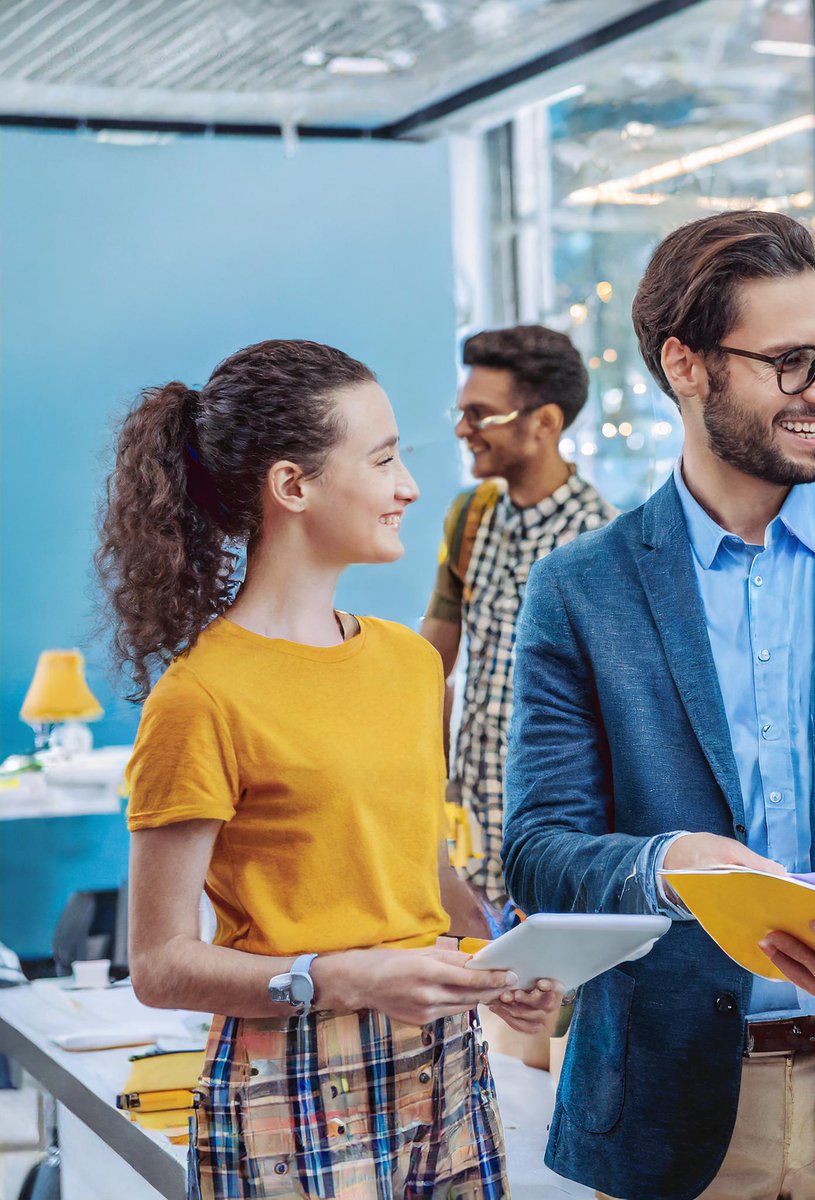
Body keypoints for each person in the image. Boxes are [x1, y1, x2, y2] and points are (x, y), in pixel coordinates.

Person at [502, 211, 815, 1200]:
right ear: (686, 366)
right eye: (790, 361)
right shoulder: (581, 589)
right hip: (668, 1116)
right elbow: (537, 850)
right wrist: (669, 863)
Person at [95, 339, 560, 1200]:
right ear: (293, 486)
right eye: (382, 460)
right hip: (289, 1075)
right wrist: (339, 973)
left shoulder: (412, 665)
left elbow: (420, 866)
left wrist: (492, 965)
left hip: (444, 1062)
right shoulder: (200, 699)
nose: (409, 488)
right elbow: (159, 966)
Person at [420, 325, 614, 917]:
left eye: (480, 415)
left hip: (562, 856)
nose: (462, 431)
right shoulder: (471, 516)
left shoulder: (605, 545)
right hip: (474, 847)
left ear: (544, 423)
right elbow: (432, 660)